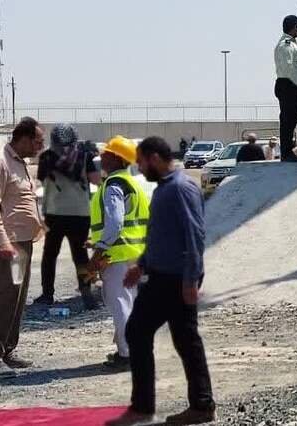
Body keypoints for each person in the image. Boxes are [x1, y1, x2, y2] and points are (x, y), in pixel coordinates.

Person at [108, 137, 214, 426]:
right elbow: (160, 236)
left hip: (176, 278)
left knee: (171, 337)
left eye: (141, 163)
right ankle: (188, 404)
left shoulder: (181, 188)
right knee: (153, 334)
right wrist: (141, 265)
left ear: (154, 158)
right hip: (161, 276)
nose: (140, 170)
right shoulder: (165, 188)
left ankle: (195, 405)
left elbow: (195, 235)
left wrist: (190, 280)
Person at [0, 117, 44, 379]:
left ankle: (7, 350)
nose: (40, 147)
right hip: (5, 246)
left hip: (21, 245)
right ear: (24, 139)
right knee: (3, 299)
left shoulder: (20, 163)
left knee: (16, 300)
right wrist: (3, 241)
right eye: (38, 141)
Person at [86, 136, 148, 371]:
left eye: (107, 153)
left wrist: (99, 251)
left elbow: (115, 223)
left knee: (121, 305)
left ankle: (128, 355)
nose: (101, 157)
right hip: (134, 253)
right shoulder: (131, 183)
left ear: (117, 159)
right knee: (130, 304)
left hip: (118, 255)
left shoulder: (113, 185)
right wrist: (96, 241)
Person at [33, 123, 101, 308]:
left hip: (54, 213)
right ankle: (87, 293)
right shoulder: (85, 156)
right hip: (80, 214)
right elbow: (96, 180)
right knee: (81, 255)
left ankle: (47, 295)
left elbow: (42, 180)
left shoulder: (47, 157)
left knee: (50, 255)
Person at [275, 15, 297, 162]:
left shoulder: (290, 44)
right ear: (295, 27)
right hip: (288, 85)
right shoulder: (286, 45)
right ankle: (286, 152)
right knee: (288, 119)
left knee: (291, 118)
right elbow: (289, 68)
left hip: (289, 84)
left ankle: (287, 151)